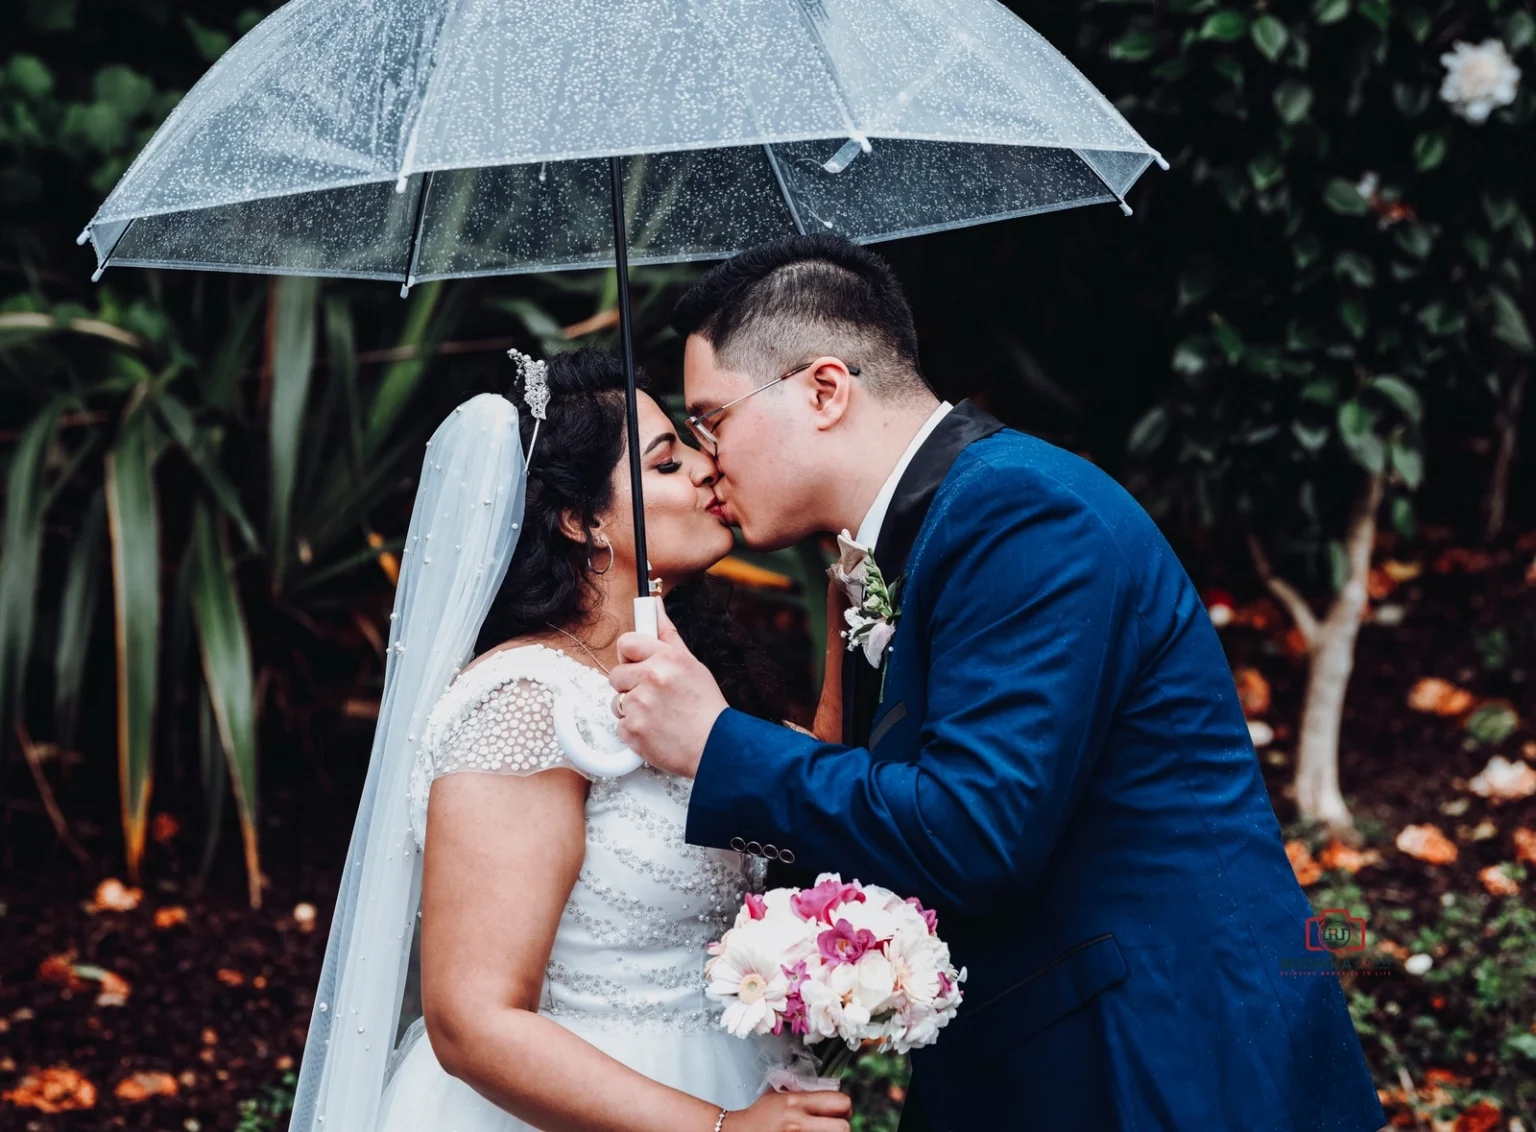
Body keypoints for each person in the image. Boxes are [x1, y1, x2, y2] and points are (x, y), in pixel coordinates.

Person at [607, 235, 1388, 1132]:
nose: (708, 459)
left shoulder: (1020, 514)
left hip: (1161, 1057)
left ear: (824, 390)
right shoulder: (902, 542)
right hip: (1044, 1045)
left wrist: (716, 745)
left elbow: (976, 830)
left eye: (713, 420)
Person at [289, 349, 852, 1132]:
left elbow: (825, 794)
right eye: (666, 462)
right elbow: (471, 1020)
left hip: (733, 1069)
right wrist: (719, 1131)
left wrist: (846, 599)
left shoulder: (694, 682)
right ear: (582, 519)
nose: (706, 469)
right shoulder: (527, 703)